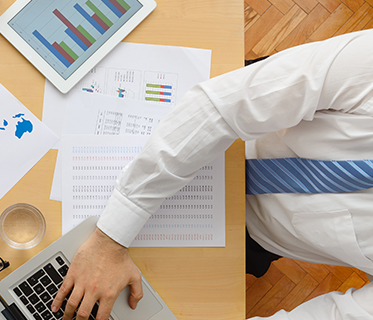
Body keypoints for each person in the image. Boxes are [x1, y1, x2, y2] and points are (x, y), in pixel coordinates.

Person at [52, 29, 373, 320]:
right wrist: (110, 238)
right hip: (240, 135)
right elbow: (223, 108)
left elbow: (339, 316)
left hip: (255, 239)